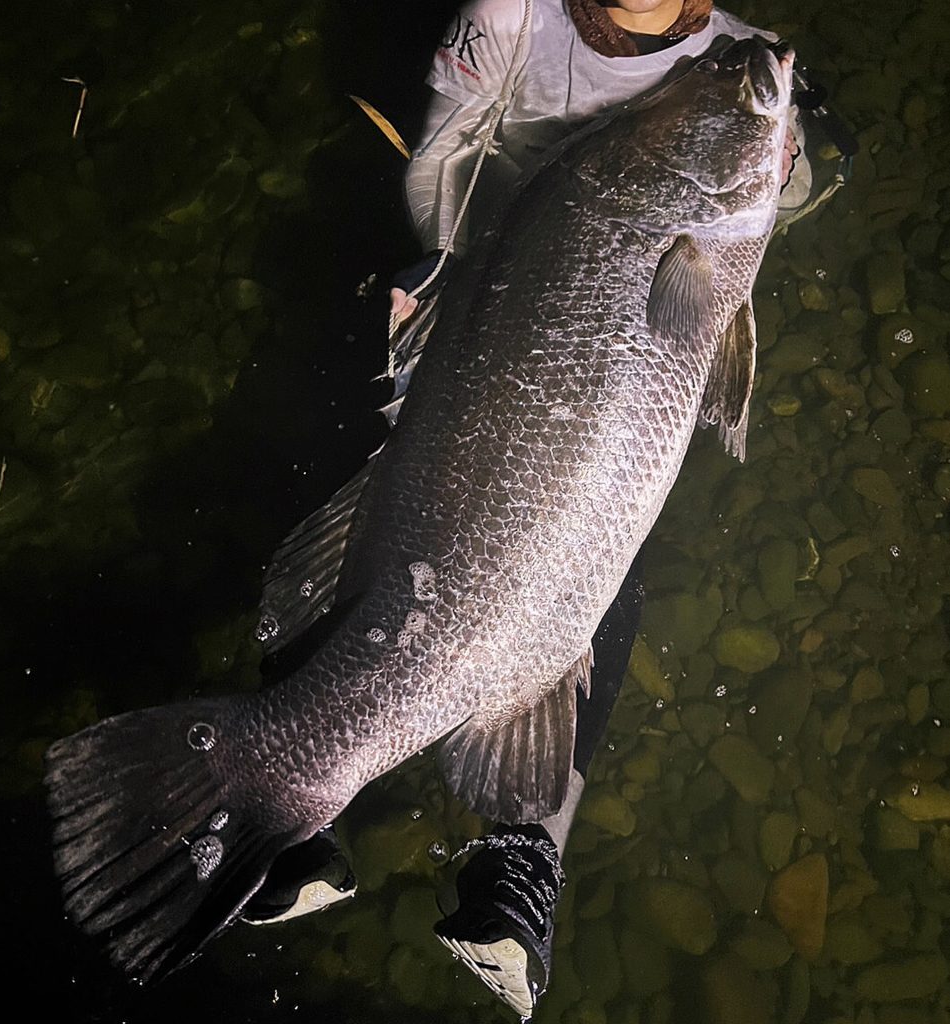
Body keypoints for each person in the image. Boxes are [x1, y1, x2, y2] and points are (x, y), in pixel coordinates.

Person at [245, 1, 840, 1016]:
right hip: (473, 303)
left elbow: (782, 206)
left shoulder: (733, 56)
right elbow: (441, 157)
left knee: (599, 561)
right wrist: (443, 275)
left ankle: (517, 859)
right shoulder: (507, 13)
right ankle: (284, 809)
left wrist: (787, 174)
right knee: (367, 482)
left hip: (590, 340)